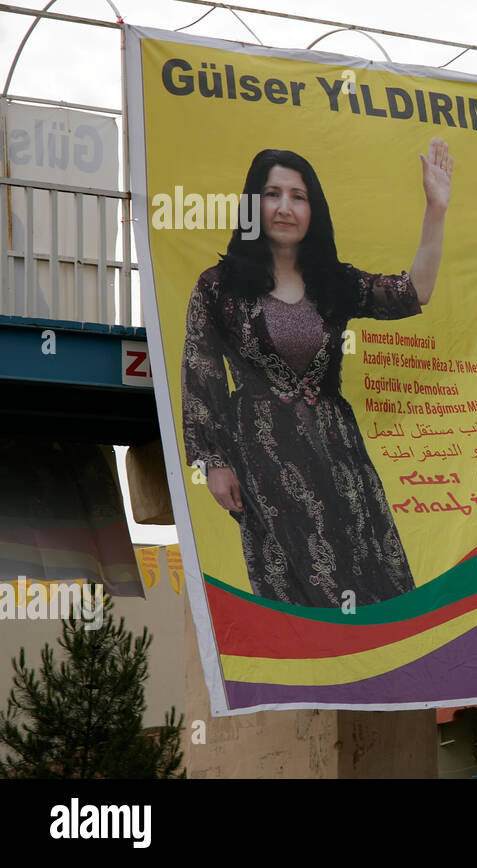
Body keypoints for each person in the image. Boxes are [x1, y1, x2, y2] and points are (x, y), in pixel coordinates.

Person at [181, 140, 453, 608]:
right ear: (253, 204)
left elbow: (416, 292)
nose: (285, 207)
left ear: (313, 209)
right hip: (264, 462)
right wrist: (213, 462)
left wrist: (436, 208)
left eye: (298, 196)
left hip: (339, 458)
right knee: (296, 595)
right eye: (272, 194)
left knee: (370, 585)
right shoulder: (219, 287)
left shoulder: (335, 282)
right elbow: (200, 375)